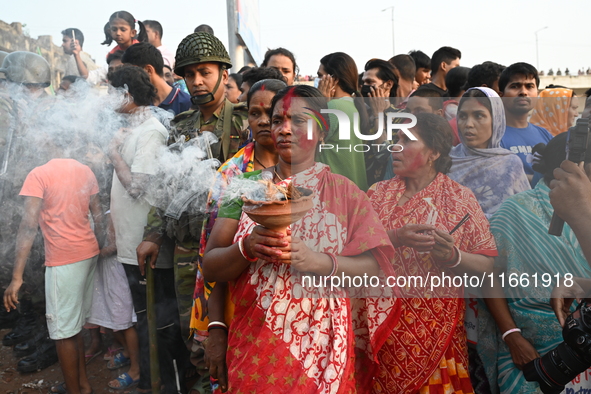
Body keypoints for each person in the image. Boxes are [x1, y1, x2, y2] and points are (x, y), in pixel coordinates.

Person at [202, 85, 399, 392]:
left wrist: (317, 261)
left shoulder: (346, 193)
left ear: (322, 132)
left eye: (298, 121)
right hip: (255, 345)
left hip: (324, 349)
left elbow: (375, 268)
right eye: (278, 119)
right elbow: (211, 267)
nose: (283, 129)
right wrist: (246, 247)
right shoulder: (244, 187)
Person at [136, 33, 249, 388]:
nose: (197, 82)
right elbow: (166, 187)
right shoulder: (179, 126)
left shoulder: (245, 122)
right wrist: (153, 233)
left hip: (236, 249)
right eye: (189, 75)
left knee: (238, 335)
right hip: (188, 253)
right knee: (197, 343)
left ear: (223, 74)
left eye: (205, 72)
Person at [367, 112, 496, 394]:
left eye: (406, 140)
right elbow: (352, 251)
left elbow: (487, 265)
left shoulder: (459, 198)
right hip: (381, 330)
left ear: (433, 152)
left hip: (437, 335)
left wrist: (453, 257)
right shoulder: (377, 194)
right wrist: (395, 238)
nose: (395, 147)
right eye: (395, 139)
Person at [190, 79, 286, 387]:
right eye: (254, 113)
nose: (261, 121)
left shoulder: (312, 172)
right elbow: (212, 258)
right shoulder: (234, 175)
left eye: (270, 113)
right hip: (239, 314)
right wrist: (217, 327)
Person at [479, 132, 591, 394]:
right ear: (577, 167)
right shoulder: (514, 211)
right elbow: (489, 276)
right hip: (530, 357)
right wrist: (512, 336)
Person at [3, 133, 104, 394]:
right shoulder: (86, 170)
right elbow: (98, 216)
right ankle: (81, 385)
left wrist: (17, 277)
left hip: (64, 259)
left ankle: (76, 390)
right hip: (88, 252)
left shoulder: (39, 174)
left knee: (62, 333)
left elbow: (28, 227)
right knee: (73, 327)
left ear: (49, 140)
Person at [108, 65, 180, 393]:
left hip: (144, 243)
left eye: (114, 91)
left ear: (127, 94)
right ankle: (151, 381)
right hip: (128, 243)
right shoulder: (131, 130)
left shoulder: (151, 130)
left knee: (157, 320)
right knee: (144, 316)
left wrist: (112, 155)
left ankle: (161, 383)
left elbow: (137, 187)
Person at [448, 87, 530, 218]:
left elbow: (523, 216)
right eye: (462, 116)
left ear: (496, 120)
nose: (468, 124)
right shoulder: (446, 160)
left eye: (478, 116)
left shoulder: (509, 164)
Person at [316, 52, 369, 190]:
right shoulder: (352, 105)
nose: (318, 80)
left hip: (334, 193)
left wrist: (319, 103)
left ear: (334, 79)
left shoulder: (333, 107)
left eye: (321, 76)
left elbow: (308, 145)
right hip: (352, 191)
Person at [499, 62, 553, 182]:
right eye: (515, 86)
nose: (523, 92)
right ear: (501, 95)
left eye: (529, 86)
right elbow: (498, 177)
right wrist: (543, 179)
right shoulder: (491, 136)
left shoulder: (545, 135)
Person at [121, 42, 191, 114]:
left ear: (148, 70)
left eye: (131, 72)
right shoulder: (137, 104)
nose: (127, 78)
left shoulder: (185, 103)